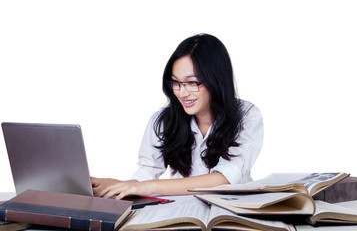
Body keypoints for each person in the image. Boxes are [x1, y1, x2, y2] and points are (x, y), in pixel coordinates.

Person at [92, 33, 263, 199]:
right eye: (175, 82)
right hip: (183, 212)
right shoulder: (162, 121)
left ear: (215, 80)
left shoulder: (246, 116)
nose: (181, 93)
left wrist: (150, 186)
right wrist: (116, 185)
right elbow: (146, 173)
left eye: (191, 83)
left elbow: (224, 178)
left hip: (233, 211)